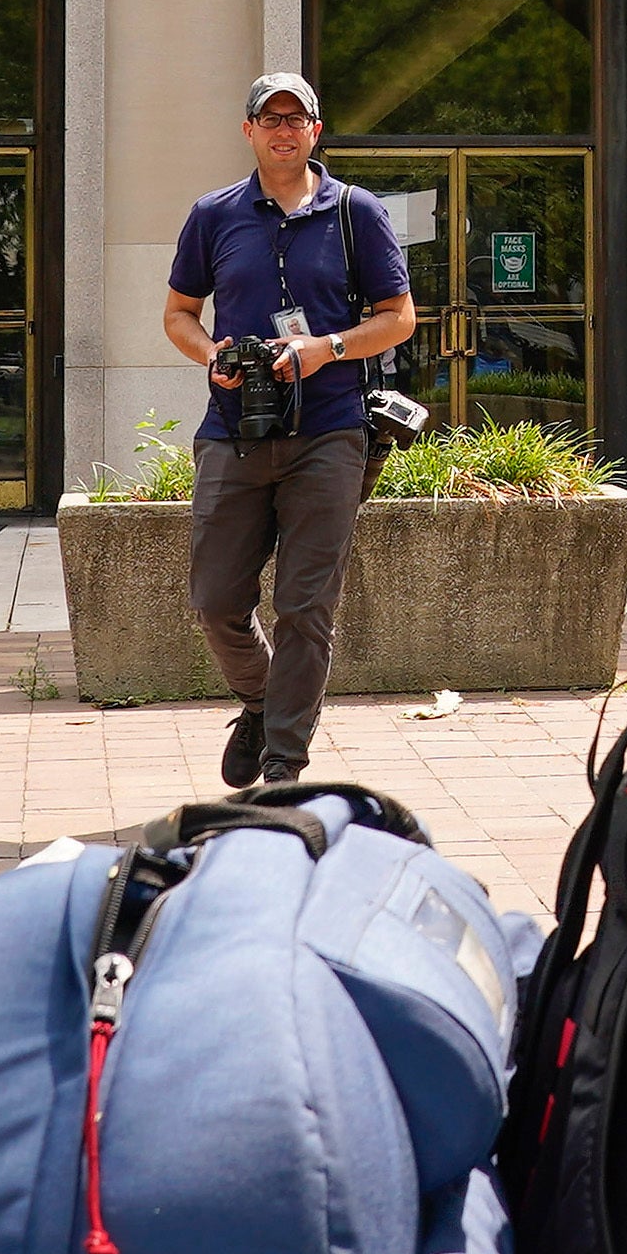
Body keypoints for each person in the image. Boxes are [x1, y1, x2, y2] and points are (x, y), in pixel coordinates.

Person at [165, 72, 419, 787]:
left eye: (295, 119)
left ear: (316, 130)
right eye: (268, 119)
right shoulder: (214, 215)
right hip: (234, 430)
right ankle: (258, 701)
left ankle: (284, 764)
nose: (283, 130)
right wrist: (211, 353)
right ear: (248, 131)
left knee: (306, 606)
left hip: (330, 431)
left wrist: (324, 349)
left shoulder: (355, 212)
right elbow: (179, 313)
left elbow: (398, 318)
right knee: (216, 602)